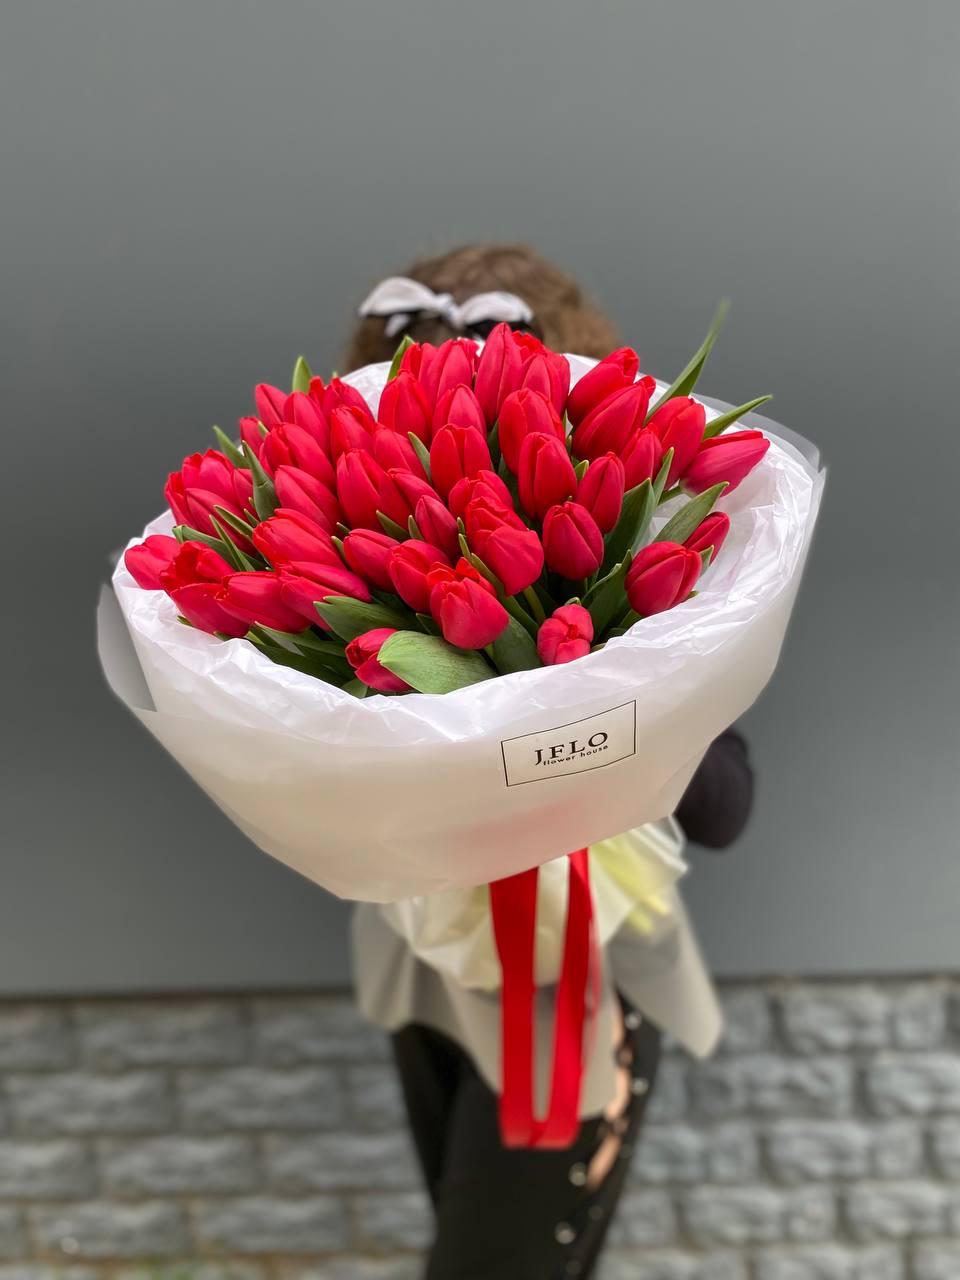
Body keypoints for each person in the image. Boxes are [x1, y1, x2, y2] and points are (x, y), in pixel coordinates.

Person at [345, 243, 754, 1280]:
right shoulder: (354, 565)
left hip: (582, 978)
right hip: (427, 966)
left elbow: (724, 805)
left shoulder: (648, 565)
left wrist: (605, 690)